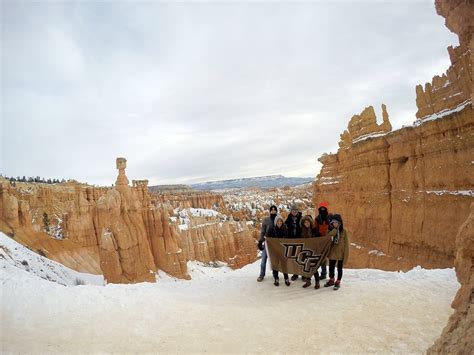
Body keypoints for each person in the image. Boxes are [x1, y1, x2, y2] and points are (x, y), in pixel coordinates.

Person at [324, 214, 349, 290]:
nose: (335, 224)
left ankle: (338, 281)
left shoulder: (344, 232)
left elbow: (346, 244)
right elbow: (327, 238)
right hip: (332, 252)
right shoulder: (329, 230)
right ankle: (331, 279)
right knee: (331, 267)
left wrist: (346, 255)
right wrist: (335, 230)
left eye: (336, 222)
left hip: (341, 253)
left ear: (339, 223)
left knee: (339, 268)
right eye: (333, 222)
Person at [266, 215, 290, 286]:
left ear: (282, 222)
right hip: (274, 251)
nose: (279, 222)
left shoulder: (285, 229)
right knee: (275, 264)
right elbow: (268, 238)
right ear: (275, 222)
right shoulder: (271, 229)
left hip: (283, 250)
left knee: (284, 265)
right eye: (278, 221)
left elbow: (288, 238)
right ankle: (276, 278)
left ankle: (286, 278)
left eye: (280, 221)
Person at [299, 215, 321, 289]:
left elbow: (320, 238)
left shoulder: (314, 230)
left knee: (314, 267)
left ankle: (317, 282)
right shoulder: (301, 231)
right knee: (306, 267)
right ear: (303, 223)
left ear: (310, 222)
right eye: (305, 222)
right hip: (305, 251)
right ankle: (308, 281)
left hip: (313, 251)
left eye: (308, 222)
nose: (306, 223)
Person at [257, 205, 278, 282]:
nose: (273, 211)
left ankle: (275, 274)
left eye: (274, 209)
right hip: (267, 243)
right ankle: (261, 274)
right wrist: (260, 241)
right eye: (272, 210)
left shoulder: (278, 219)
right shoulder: (266, 220)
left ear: (276, 211)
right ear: (270, 211)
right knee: (263, 260)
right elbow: (263, 231)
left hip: (275, 243)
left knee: (273, 260)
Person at [314, 201, 331, 279]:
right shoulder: (317, 219)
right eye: (321, 209)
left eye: (324, 208)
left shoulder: (330, 218)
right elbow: (315, 228)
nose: (323, 210)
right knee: (322, 257)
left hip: (328, 240)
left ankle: (331, 276)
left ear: (326, 209)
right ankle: (323, 273)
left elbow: (332, 228)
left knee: (329, 258)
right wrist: (317, 233)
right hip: (320, 240)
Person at [286, 204, 302, 281]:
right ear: (291, 211)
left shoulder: (301, 218)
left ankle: (303, 274)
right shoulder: (288, 219)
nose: (294, 212)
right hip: (292, 241)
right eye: (293, 210)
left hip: (300, 240)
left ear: (298, 211)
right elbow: (284, 229)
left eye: (296, 210)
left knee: (301, 258)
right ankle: (295, 274)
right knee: (294, 258)